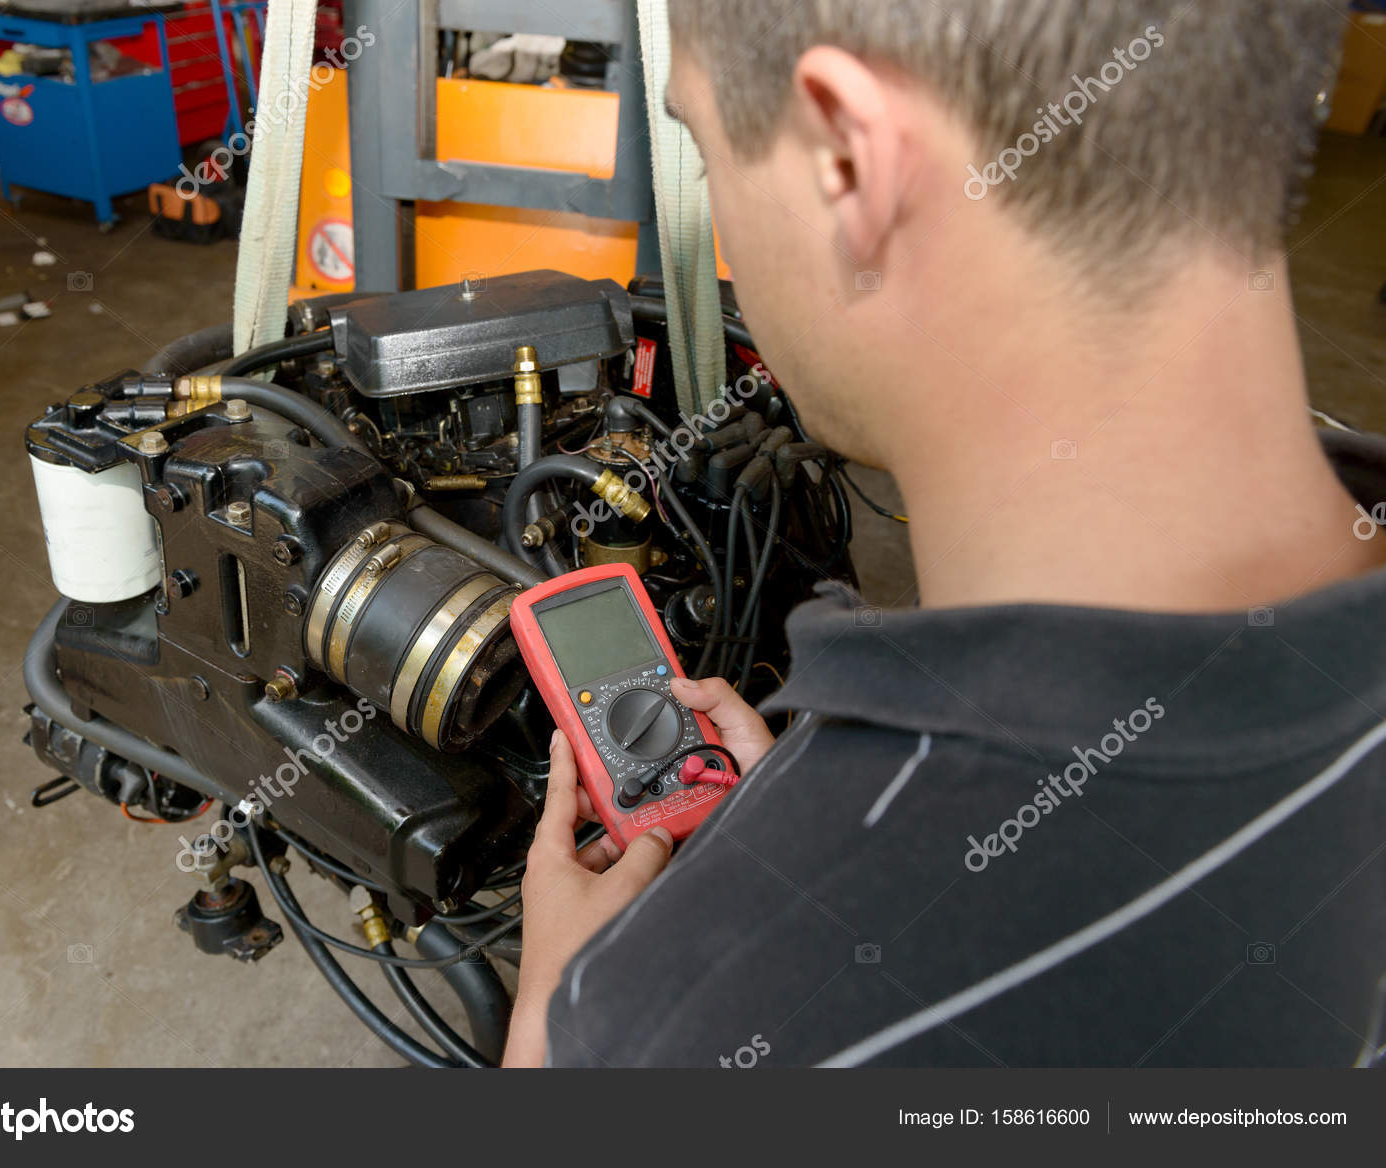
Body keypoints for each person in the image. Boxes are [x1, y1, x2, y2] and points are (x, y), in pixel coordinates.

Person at [502, 0, 1386, 1067]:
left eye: (706, 148)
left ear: (848, 159)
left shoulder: (689, 1024)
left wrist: (570, 1030)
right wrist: (824, 819)